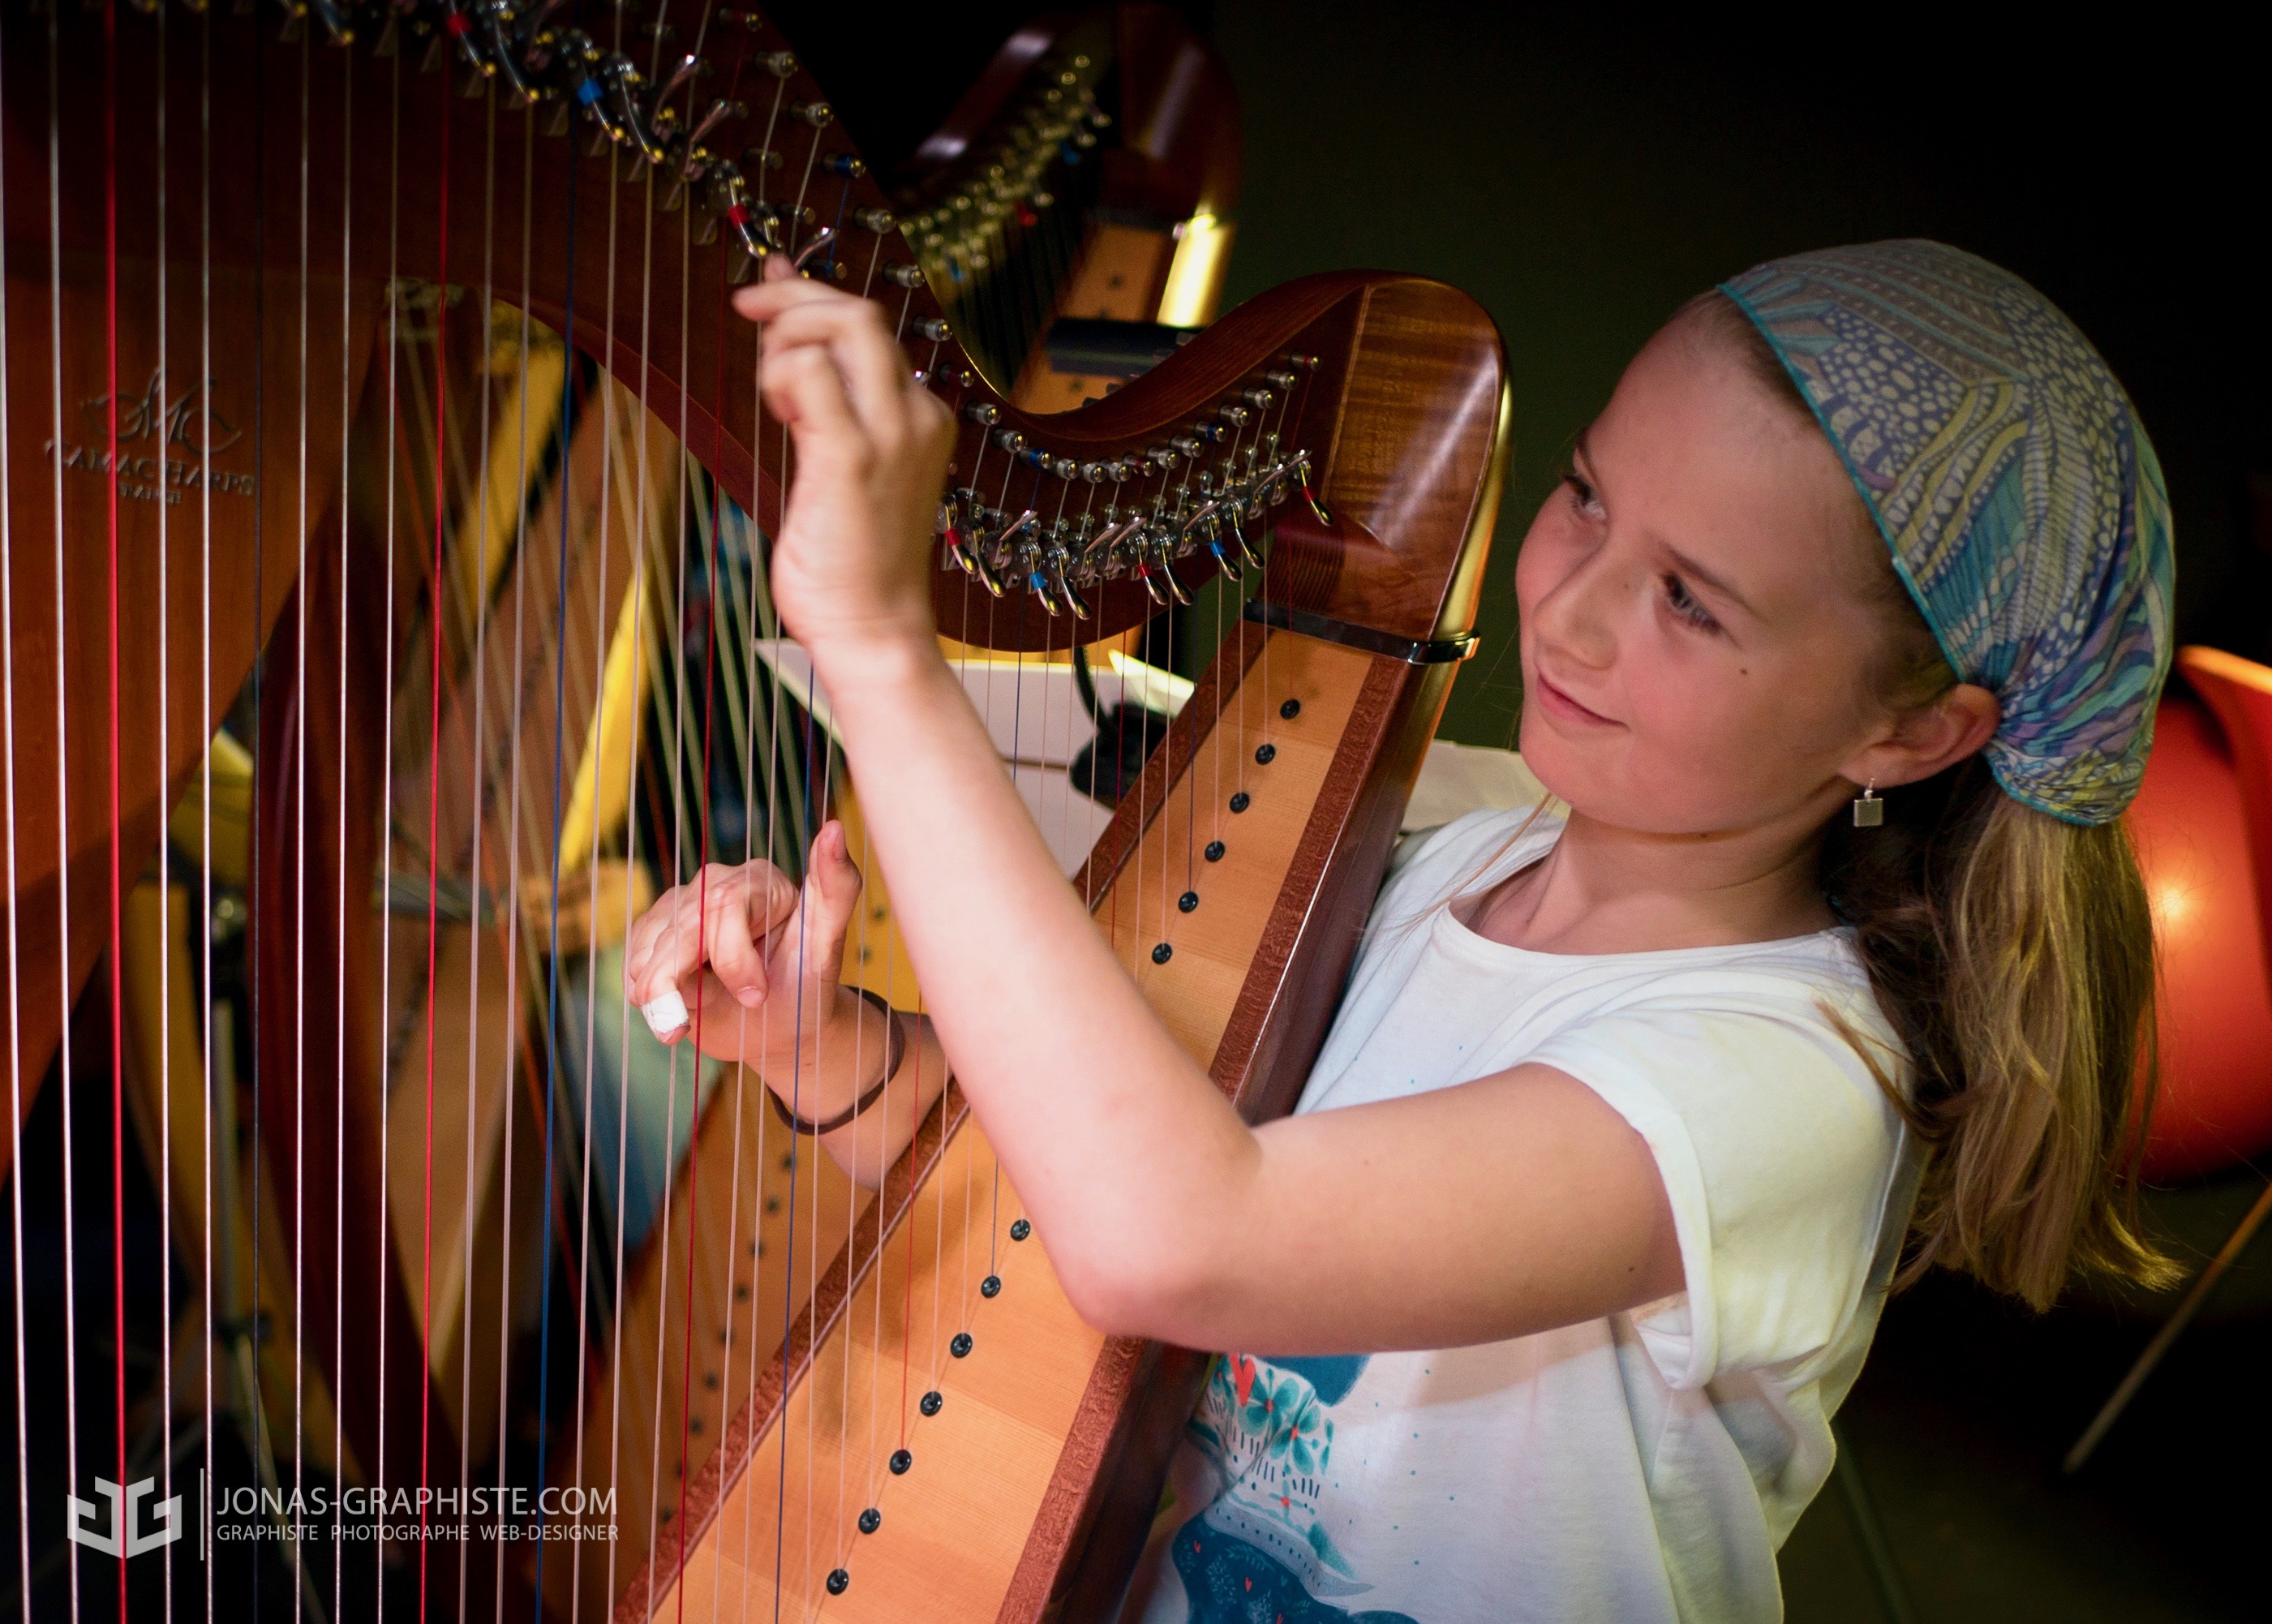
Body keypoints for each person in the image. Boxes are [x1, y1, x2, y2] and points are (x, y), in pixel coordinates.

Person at [620, 239, 2180, 1622]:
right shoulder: (1446, 860)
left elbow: (1178, 1237)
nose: (1569, 612)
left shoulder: (1780, 1086)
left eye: (1691, 601)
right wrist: (822, 1044)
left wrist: (885, 649)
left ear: (1910, 732)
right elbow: (1057, 1199)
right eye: (1585, 495)